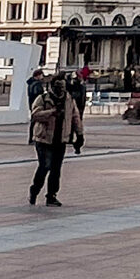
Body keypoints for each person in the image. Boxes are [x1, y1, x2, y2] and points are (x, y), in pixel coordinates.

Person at [27, 76, 82, 207]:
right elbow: (35, 115)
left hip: (60, 139)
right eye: (57, 86)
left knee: (56, 169)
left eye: (62, 86)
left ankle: (51, 196)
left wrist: (79, 134)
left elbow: (75, 117)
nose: (60, 89)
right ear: (52, 86)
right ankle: (34, 190)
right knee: (45, 166)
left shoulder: (69, 100)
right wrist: (51, 112)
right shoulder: (43, 99)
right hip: (44, 139)